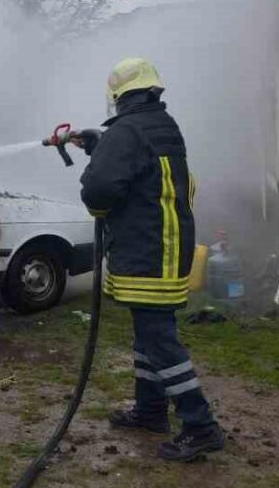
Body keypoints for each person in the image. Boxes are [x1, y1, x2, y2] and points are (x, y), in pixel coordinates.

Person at [76, 57, 225, 462]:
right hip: (164, 248)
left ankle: (200, 425)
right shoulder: (161, 126)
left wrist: (100, 156)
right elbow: (139, 171)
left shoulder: (127, 131)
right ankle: (150, 410)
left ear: (118, 96)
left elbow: (101, 190)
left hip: (147, 251)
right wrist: (100, 145)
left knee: (159, 340)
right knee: (147, 333)